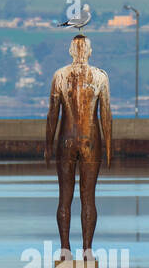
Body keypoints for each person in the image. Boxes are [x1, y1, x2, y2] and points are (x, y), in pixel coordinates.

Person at [44, 34, 113, 256]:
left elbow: (52, 114)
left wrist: (48, 144)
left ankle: (65, 248)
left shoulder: (60, 76)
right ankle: (87, 250)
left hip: (65, 140)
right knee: (88, 197)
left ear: (71, 51)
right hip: (91, 140)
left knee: (64, 195)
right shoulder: (100, 76)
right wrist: (110, 146)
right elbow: (106, 116)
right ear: (89, 51)